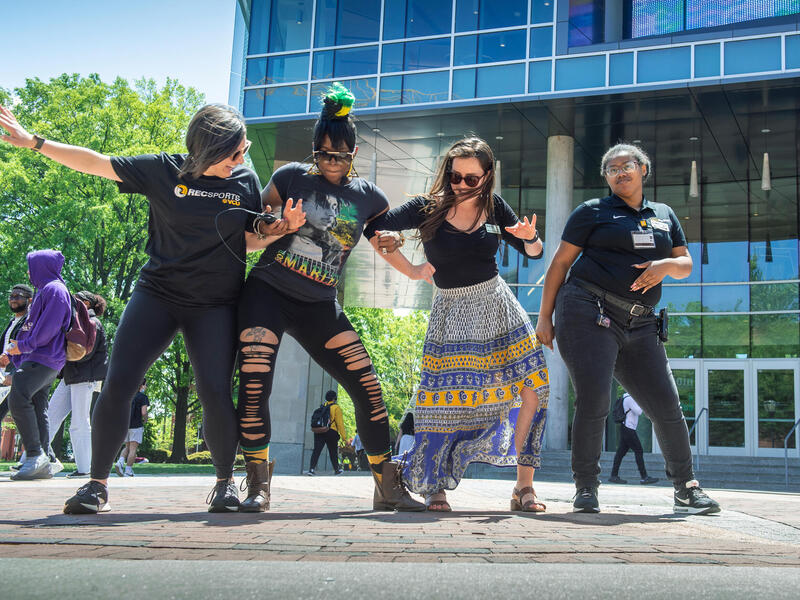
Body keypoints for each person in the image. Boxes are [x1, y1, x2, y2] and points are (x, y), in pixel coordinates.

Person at [0, 103, 304, 512]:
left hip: (214, 304)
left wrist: (275, 230)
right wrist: (33, 142)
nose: (243, 158)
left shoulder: (245, 180)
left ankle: (224, 483)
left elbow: (244, 238)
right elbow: (96, 163)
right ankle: (96, 485)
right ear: (208, 150)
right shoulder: (165, 170)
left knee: (214, 391)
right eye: (235, 152)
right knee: (118, 386)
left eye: (244, 149)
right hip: (157, 295)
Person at [234, 82, 423, 513]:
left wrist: (413, 268)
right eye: (322, 153)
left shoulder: (370, 198)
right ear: (313, 150)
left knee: (368, 387)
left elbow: (382, 243)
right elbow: (248, 237)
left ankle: (386, 484)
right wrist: (277, 225)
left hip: (319, 305)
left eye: (339, 155)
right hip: (267, 292)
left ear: (354, 154)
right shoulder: (289, 177)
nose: (330, 162)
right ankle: (258, 485)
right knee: (254, 383)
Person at [365, 136, 549, 512]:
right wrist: (412, 269)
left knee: (535, 385)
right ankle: (435, 486)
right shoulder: (424, 208)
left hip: (498, 306)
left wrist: (531, 240)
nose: (462, 184)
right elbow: (375, 230)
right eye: (456, 176)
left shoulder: (494, 206)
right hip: (452, 312)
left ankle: (523, 487)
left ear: (487, 176)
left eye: (472, 178)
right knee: (441, 403)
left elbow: (533, 250)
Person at [535, 142, 720, 515]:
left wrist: (665, 265)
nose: (620, 172)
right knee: (595, 399)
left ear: (643, 169)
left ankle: (686, 487)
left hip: (641, 322)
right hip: (589, 310)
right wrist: (544, 317)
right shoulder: (592, 212)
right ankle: (586, 488)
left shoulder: (664, 214)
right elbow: (559, 264)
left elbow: (686, 264)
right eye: (611, 169)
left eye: (627, 165)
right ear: (606, 178)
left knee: (667, 405)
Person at [6, 250, 72, 480]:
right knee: (38, 406)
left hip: (43, 356)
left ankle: (35, 455)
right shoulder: (47, 290)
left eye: (31, 266)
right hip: (42, 357)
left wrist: (22, 346)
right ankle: (45, 459)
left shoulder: (54, 290)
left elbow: (47, 330)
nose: (28, 271)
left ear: (42, 266)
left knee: (18, 397)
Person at [47, 291, 109, 478]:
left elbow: (85, 353)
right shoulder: (76, 323)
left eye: (77, 301)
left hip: (84, 377)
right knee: (49, 417)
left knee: (79, 422)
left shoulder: (91, 323)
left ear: (87, 305)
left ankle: (84, 469)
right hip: (71, 376)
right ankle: (34, 458)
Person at [0, 284, 34, 423]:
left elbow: (29, 350)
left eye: (18, 296)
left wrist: (14, 374)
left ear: (30, 300)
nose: (13, 300)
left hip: (13, 377)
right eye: (11, 296)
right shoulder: (12, 322)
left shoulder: (29, 323)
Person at [608, 392, 658, 485]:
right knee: (639, 450)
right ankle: (644, 477)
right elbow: (639, 411)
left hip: (627, 428)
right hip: (628, 429)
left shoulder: (629, 397)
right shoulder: (630, 398)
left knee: (620, 453)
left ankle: (613, 476)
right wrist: (642, 402)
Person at [306, 390, 347, 476]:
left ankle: (311, 469)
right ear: (334, 398)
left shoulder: (322, 407)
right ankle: (336, 470)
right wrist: (344, 437)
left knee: (316, 451)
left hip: (319, 431)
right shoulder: (336, 408)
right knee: (333, 452)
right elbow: (340, 424)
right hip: (331, 431)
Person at [115, 380, 149, 477]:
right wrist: (146, 419)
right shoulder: (143, 397)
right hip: (137, 425)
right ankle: (128, 470)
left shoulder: (128, 395)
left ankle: (120, 462)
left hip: (126, 425)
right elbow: (143, 412)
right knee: (133, 449)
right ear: (141, 386)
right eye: (145, 385)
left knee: (127, 447)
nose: (146, 387)